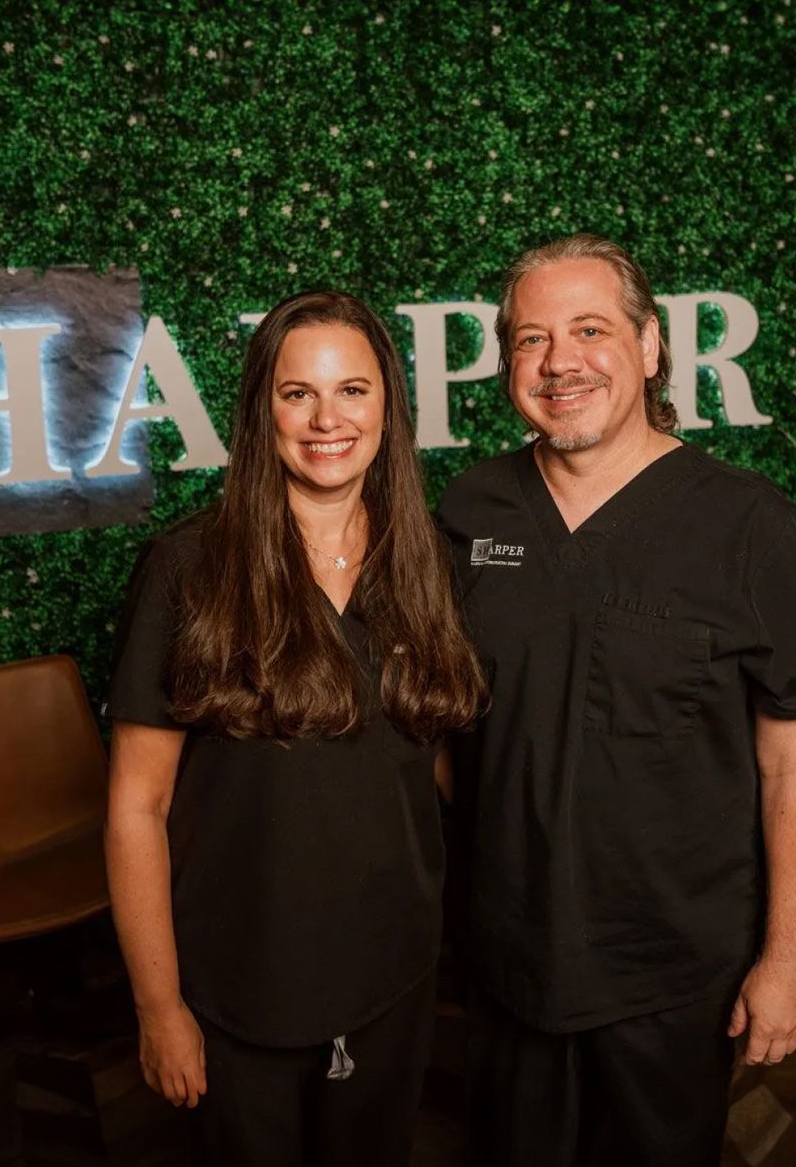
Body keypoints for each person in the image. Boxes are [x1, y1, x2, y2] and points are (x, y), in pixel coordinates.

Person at [436, 234, 796, 1165]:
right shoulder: (470, 511)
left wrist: (788, 960)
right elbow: (446, 731)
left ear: (652, 343)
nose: (560, 363)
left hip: (672, 970)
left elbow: (795, 766)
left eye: (591, 330)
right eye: (531, 340)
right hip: (509, 957)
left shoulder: (751, 527)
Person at [103, 290, 483, 1165]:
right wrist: (160, 1008)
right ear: (259, 410)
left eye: (352, 390)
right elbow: (137, 805)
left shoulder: (429, 560)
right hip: (241, 982)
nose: (326, 420)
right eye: (296, 392)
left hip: (393, 972)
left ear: (388, 405)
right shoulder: (186, 568)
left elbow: (434, 763)